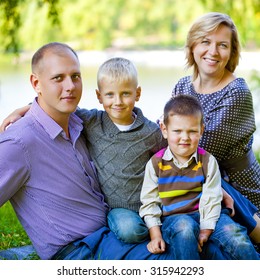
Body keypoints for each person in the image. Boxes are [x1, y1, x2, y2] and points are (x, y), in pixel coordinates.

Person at [0, 42, 176, 260]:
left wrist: (25, 108)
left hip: (109, 236)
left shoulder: (78, 123)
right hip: (80, 252)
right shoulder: (19, 141)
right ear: (36, 83)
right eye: (58, 78)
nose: (70, 86)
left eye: (75, 76)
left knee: (193, 244)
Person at [172, 12, 260, 248]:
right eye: (205, 42)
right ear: (192, 46)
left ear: (231, 52)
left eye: (222, 45)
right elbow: (170, 142)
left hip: (238, 190)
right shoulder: (182, 86)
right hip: (199, 185)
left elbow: (197, 150)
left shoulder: (237, 92)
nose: (213, 52)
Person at [139, 95, 259, 259]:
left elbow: (212, 197)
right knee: (185, 228)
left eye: (192, 131)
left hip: (209, 215)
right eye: (177, 131)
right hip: (174, 220)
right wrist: (155, 235)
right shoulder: (155, 164)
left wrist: (206, 229)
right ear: (164, 130)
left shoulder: (208, 161)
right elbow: (150, 203)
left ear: (201, 130)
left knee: (235, 236)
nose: (185, 137)